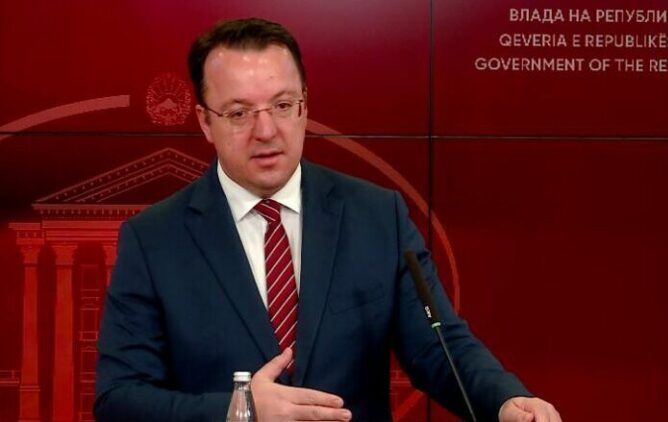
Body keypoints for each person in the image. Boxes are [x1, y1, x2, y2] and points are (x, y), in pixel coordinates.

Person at [94, 17, 562, 422]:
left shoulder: (377, 216)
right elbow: (120, 399)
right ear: (204, 121)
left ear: (305, 105)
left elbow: (438, 347)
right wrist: (240, 410)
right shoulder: (153, 240)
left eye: (282, 105)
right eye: (239, 113)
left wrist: (505, 401)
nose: (266, 130)